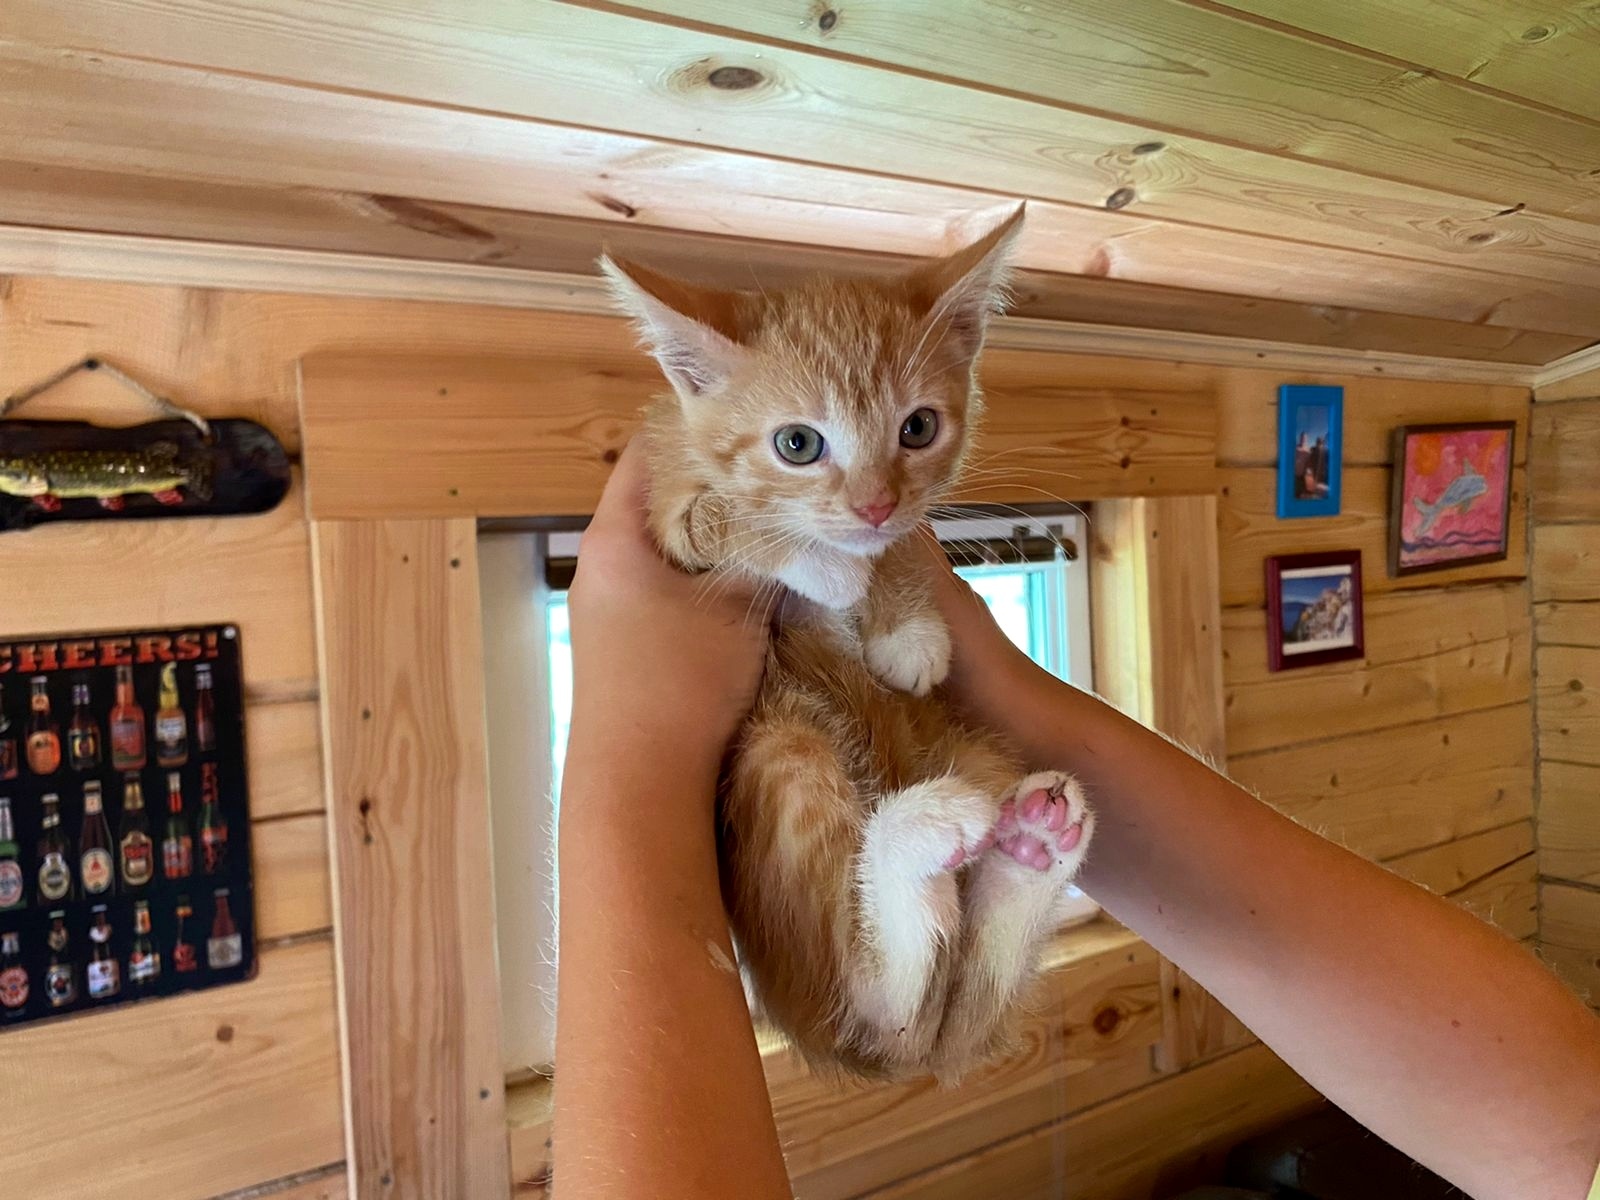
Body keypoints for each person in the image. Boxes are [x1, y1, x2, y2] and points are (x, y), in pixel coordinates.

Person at [553, 443, 1600, 1200]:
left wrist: (628, 751)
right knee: (976, 803)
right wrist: (1005, 690)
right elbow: (1567, 1129)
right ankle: (984, 907)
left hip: (864, 860)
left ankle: (969, 914)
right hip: (878, 854)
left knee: (942, 810)